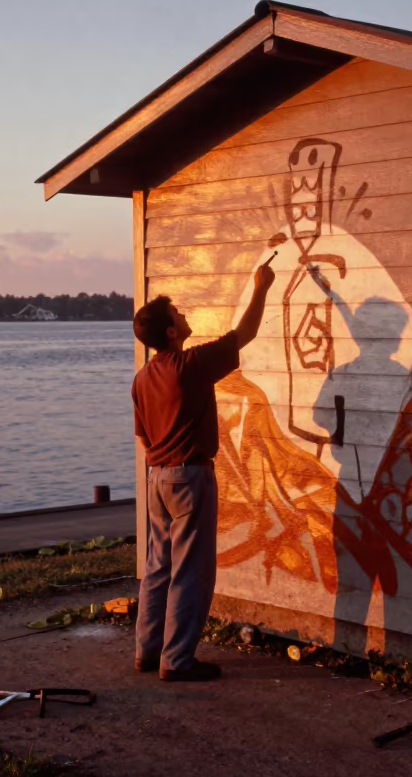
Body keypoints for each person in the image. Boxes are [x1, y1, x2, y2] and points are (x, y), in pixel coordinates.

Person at [131, 258, 276, 681]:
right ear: (172, 332)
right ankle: (177, 661)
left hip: (157, 476)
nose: (185, 315)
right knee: (191, 570)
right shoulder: (189, 366)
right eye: (179, 314)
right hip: (190, 476)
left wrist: (162, 465)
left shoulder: (142, 378)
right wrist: (261, 286)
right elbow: (244, 334)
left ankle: (148, 649)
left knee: (159, 566)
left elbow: (142, 438)